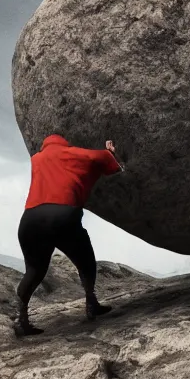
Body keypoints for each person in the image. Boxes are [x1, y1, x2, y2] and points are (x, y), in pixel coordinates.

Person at [14, 134, 125, 336]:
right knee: (86, 260)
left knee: (34, 270)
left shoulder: (37, 159)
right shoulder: (70, 153)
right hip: (61, 215)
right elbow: (96, 158)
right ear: (64, 143)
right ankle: (91, 303)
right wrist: (110, 152)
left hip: (30, 219)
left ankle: (21, 319)